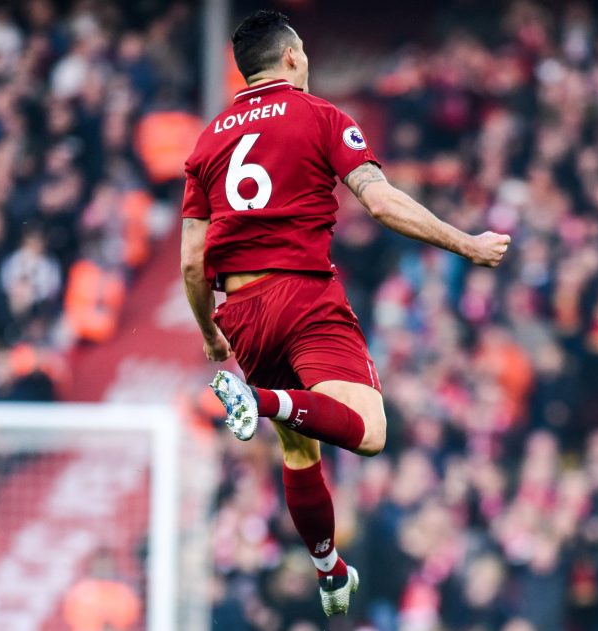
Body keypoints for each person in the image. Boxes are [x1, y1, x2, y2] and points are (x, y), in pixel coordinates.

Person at [180, 10, 510, 616]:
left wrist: (210, 333)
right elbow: (380, 202)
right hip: (304, 295)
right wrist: (466, 242)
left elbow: (193, 262)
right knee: (372, 432)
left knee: (301, 451)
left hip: (242, 314)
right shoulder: (320, 115)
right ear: (292, 57)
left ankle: (330, 571)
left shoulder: (208, 142)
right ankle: (263, 402)